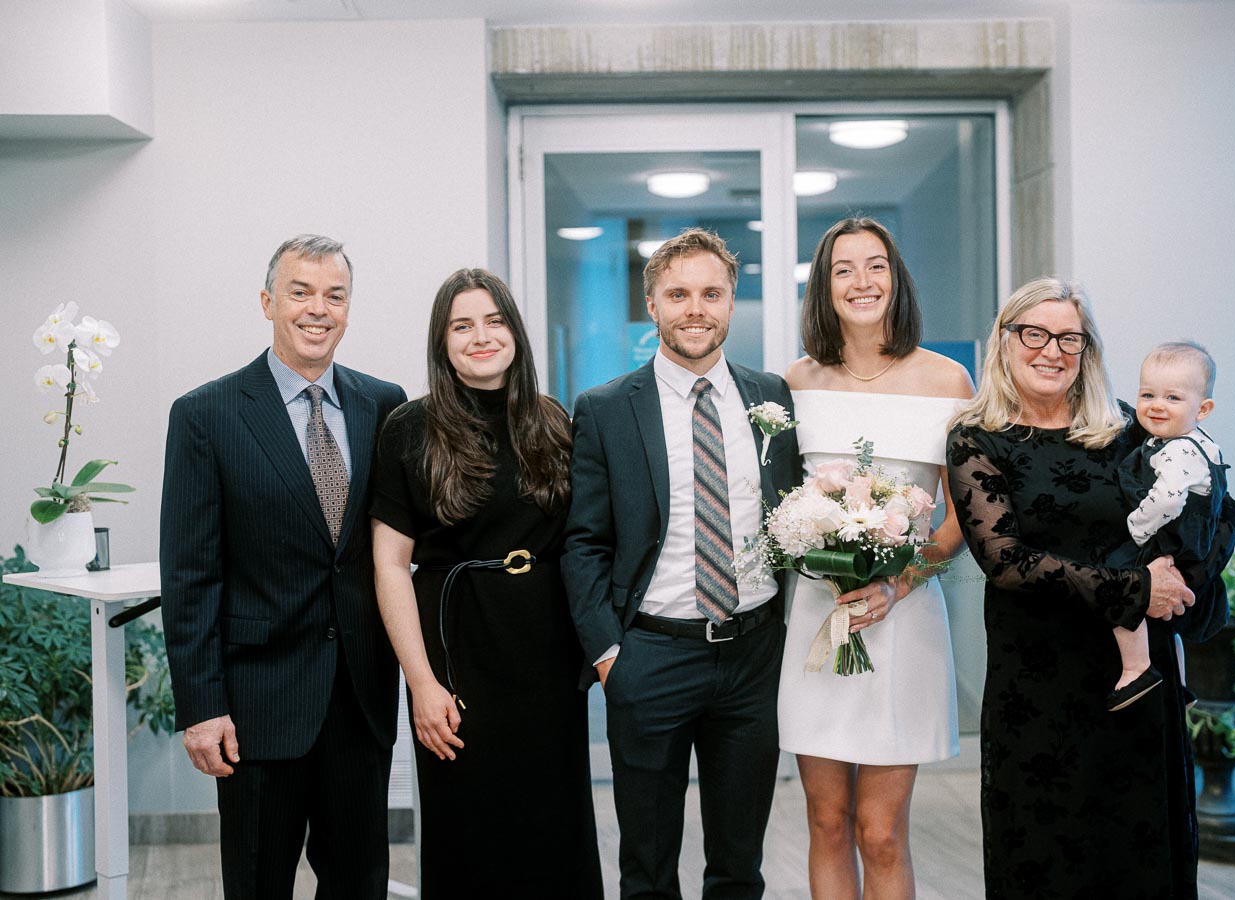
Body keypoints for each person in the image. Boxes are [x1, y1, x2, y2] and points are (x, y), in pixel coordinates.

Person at [945, 277, 1235, 898]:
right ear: (1005, 342)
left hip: (1135, 682)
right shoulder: (977, 439)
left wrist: (1184, 582)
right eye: (1035, 334)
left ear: (1087, 350)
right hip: (1038, 685)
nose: (1052, 350)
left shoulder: (1130, 428)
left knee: (1137, 855)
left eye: (1069, 338)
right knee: (1045, 857)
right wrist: (1136, 589)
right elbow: (1006, 560)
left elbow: (1219, 508)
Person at [161, 234, 407, 899]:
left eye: (335, 295)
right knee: (258, 882)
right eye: (300, 292)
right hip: (257, 707)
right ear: (269, 301)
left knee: (360, 884)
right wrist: (203, 707)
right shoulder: (206, 416)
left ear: (350, 308)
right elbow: (190, 577)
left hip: (359, 701)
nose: (317, 309)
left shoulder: (385, 406)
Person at [562, 228, 800, 899]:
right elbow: (583, 543)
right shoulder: (606, 410)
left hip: (753, 659)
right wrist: (610, 653)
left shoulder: (771, 399)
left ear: (730, 302)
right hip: (649, 658)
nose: (696, 307)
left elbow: (791, 516)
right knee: (647, 866)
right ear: (652, 305)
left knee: (738, 867)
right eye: (679, 294)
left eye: (712, 293)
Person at [370, 268, 603, 898]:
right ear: (441, 343)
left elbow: (588, 543)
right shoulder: (408, 428)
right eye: (462, 325)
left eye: (495, 321)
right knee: (469, 832)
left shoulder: (553, 420)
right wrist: (420, 684)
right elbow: (390, 565)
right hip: (457, 653)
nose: (481, 337)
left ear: (516, 333)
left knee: (554, 828)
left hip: (548, 658)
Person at [776, 217, 972, 899]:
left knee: (881, 831)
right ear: (824, 288)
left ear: (897, 277)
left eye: (876, 265)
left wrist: (900, 583)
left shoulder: (948, 381)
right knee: (827, 822)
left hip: (904, 618)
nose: (862, 281)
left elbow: (961, 520)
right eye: (843, 269)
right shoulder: (795, 381)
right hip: (818, 618)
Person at [1105, 341, 1228, 711]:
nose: (1157, 405)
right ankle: (1181, 683)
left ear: (1202, 408)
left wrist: (1136, 526)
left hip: (1171, 536)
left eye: (1173, 398)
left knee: (1117, 582)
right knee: (1171, 623)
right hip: (1190, 538)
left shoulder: (1177, 450)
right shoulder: (1198, 443)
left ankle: (1136, 667)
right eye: (1148, 394)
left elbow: (1169, 499)